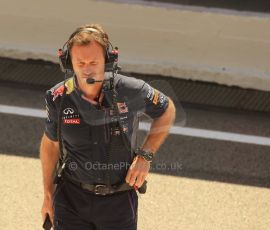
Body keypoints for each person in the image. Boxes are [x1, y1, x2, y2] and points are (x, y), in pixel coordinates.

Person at [40, 23, 176, 230]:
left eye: (94, 62)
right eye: (80, 62)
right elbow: (50, 145)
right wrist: (48, 195)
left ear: (108, 60)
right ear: (68, 63)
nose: (87, 69)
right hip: (71, 200)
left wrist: (145, 156)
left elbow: (167, 109)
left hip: (119, 203)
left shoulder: (131, 90)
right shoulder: (57, 97)